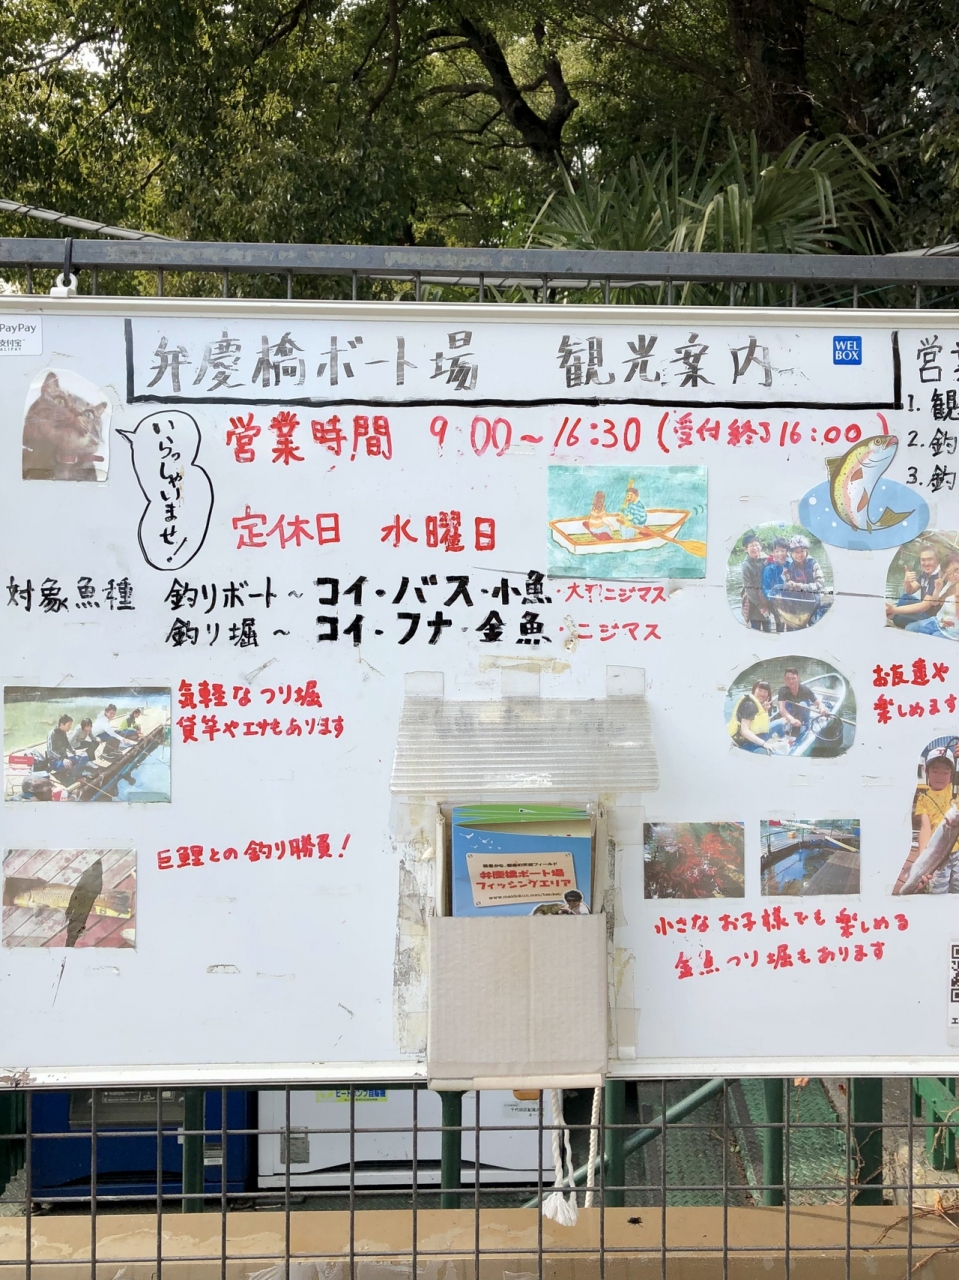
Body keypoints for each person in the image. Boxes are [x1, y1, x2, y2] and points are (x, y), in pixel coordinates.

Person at [895, 743, 959, 893]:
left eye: (945, 772)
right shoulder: (923, 798)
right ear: (926, 771)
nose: (940, 776)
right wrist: (922, 861)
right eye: (935, 771)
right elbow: (925, 829)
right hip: (937, 858)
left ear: (952, 773)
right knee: (937, 890)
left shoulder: (955, 791)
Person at [886, 543, 942, 628]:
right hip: (923, 609)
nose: (926, 563)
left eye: (930, 559)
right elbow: (910, 591)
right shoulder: (926, 573)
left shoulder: (938, 578)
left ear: (937, 561)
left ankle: (894, 615)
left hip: (930, 616)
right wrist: (907, 581)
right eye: (923, 560)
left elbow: (925, 606)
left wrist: (894, 610)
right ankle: (894, 613)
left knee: (897, 618)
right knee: (905, 597)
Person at [905, 554, 959, 640]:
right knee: (910, 628)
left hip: (954, 630)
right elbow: (934, 603)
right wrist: (937, 589)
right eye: (949, 573)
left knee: (934, 637)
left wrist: (957, 596)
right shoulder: (949, 584)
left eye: (957, 569)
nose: (955, 575)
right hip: (938, 622)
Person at [727, 681, 790, 753]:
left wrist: (765, 710)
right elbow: (744, 731)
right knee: (778, 754)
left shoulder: (757, 704)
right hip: (745, 744)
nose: (762, 694)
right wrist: (764, 743)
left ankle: (783, 740)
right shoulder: (749, 705)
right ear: (754, 690)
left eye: (765, 692)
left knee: (780, 723)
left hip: (756, 735)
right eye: (760, 690)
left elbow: (763, 726)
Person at [776, 667, 828, 733]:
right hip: (791, 714)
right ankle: (790, 725)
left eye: (793, 678)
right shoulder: (782, 691)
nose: (791, 681)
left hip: (803, 714)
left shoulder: (805, 690)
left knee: (803, 704)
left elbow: (819, 703)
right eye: (788, 679)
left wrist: (822, 708)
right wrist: (791, 719)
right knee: (786, 707)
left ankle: (805, 726)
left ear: (798, 678)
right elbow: (781, 708)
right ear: (785, 679)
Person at [739, 532, 770, 631]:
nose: (755, 548)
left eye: (756, 545)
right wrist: (760, 606)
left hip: (765, 598)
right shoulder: (746, 566)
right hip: (753, 602)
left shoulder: (766, 559)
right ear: (745, 549)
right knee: (756, 627)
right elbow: (749, 589)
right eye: (751, 546)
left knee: (768, 627)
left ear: (760, 546)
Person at [761, 538, 791, 631]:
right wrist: (774, 596)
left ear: (787, 551)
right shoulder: (769, 568)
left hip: (791, 599)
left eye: (782, 550)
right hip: (776, 600)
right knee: (780, 621)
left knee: (792, 623)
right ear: (772, 553)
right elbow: (765, 588)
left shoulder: (792, 564)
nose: (780, 554)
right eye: (776, 551)